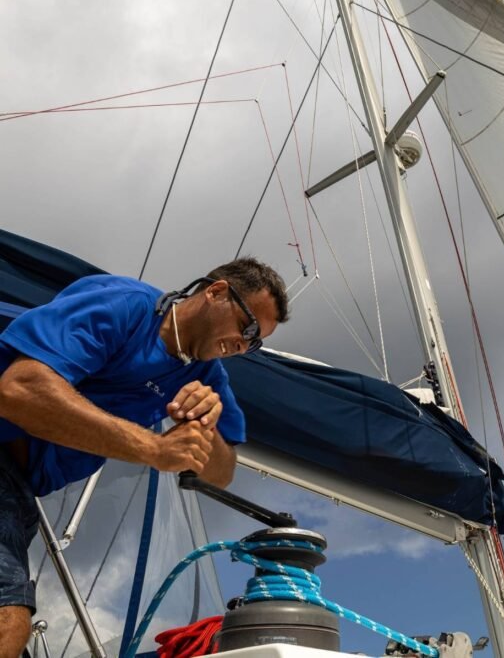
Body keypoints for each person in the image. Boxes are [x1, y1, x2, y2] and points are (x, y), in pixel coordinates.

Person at [0, 257, 289, 657]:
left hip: (18, 493)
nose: (244, 345)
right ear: (216, 291)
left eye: (256, 342)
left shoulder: (205, 378)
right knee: (8, 617)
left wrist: (204, 432)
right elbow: (18, 391)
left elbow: (222, 473)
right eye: (248, 327)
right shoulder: (126, 307)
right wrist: (153, 448)